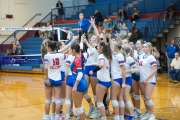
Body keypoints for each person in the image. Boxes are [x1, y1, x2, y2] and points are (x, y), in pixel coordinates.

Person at [89, 41, 112, 120]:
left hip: (102, 81)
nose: (97, 48)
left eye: (98, 46)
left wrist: (93, 71)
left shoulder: (101, 56)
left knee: (99, 102)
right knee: (103, 99)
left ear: (101, 48)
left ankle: (103, 117)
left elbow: (101, 64)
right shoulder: (107, 56)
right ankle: (106, 111)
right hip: (107, 80)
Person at [43, 41, 65, 120]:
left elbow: (45, 68)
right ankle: (56, 117)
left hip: (50, 79)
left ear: (49, 48)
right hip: (58, 79)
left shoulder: (47, 56)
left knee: (48, 100)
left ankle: (46, 117)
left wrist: (46, 78)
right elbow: (66, 52)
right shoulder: (60, 55)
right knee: (57, 100)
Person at [139, 42, 157, 120]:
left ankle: (152, 115)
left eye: (146, 47)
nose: (144, 48)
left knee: (147, 97)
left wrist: (146, 79)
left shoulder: (151, 57)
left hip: (149, 80)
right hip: (142, 80)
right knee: (145, 98)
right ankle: (148, 113)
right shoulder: (141, 56)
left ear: (150, 48)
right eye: (144, 47)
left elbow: (154, 70)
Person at [70, 42, 88, 120]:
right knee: (79, 106)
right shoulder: (81, 56)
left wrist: (75, 86)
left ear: (74, 50)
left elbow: (80, 74)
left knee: (78, 107)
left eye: (71, 50)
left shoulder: (77, 60)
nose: (70, 51)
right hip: (83, 82)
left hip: (79, 84)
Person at [109, 41, 126, 120]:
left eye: (114, 45)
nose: (113, 46)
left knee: (113, 98)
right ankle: (121, 117)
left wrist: (123, 82)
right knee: (120, 98)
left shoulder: (120, 56)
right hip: (116, 78)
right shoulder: (115, 55)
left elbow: (123, 69)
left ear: (116, 47)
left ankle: (117, 117)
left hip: (117, 79)